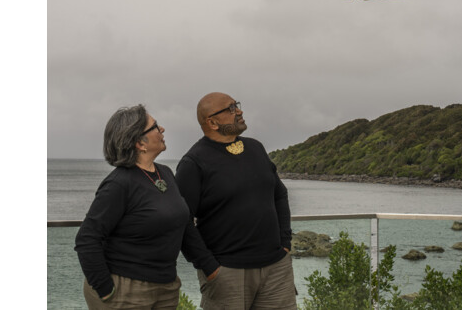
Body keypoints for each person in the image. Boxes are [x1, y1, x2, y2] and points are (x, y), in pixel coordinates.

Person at [75, 105, 219, 309]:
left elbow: (183, 224)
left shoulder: (165, 173)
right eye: (156, 126)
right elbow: (87, 239)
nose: (163, 130)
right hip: (126, 291)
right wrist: (106, 290)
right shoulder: (119, 183)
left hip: (166, 287)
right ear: (139, 142)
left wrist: (208, 265)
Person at [176, 92, 296, 309]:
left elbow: (279, 194)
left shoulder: (256, 148)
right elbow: (182, 221)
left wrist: (285, 242)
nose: (239, 111)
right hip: (227, 272)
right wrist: (209, 266)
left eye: (237, 105)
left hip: (276, 268)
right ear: (212, 122)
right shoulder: (193, 163)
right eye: (230, 109)